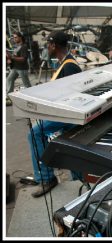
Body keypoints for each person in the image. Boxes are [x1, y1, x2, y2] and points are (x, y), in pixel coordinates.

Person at [28, 31, 82, 198]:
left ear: (54, 45)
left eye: (48, 44)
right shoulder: (64, 63)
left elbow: (76, 96)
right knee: (67, 145)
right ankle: (79, 180)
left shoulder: (69, 66)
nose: (47, 47)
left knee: (35, 133)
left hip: (69, 116)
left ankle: (46, 178)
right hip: (65, 114)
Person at [6, 32, 32, 100]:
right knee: (9, 79)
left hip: (22, 68)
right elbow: (14, 56)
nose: (14, 39)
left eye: (16, 37)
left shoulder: (24, 46)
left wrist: (12, 57)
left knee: (26, 84)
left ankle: (31, 97)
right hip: (15, 67)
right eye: (14, 37)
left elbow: (23, 59)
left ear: (20, 37)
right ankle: (9, 96)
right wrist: (9, 57)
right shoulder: (17, 46)